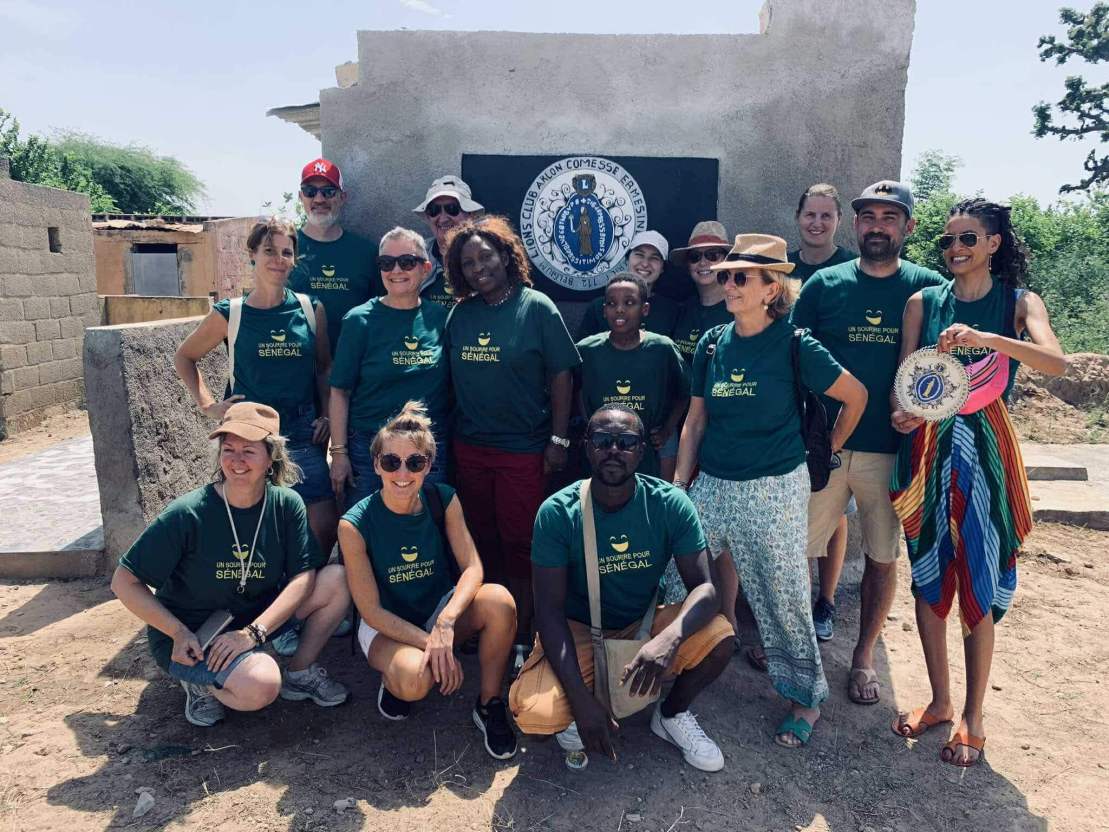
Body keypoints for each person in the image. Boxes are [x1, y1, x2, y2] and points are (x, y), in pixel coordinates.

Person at [668, 234, 867, 747]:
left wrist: (822, 454)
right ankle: (669, 672)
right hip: (713, 481)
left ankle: (806, 698)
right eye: (725, 274)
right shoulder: (713, 343)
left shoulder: (796, 344)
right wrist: (681, 484)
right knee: (675, 577)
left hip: (774, 487)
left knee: (782, 596)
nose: (727, 282)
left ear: (770, 287)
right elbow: (695, 420)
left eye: (740, 277)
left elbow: (856, 395)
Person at [889, 199, 1065, 766]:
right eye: (948, 241)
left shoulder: (1018, 302)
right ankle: (940, 701)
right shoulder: (923, 303)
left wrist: (989, 340)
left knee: (979, 579)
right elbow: (908, 379)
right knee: (926, 572)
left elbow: (1054, 362)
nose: (956, 248)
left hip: (986, 449)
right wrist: (905, 412)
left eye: (969, 238)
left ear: (993, 243)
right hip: (929, 450)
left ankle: (974, 715)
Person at [510, 405, 734, 771]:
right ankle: (585, 698)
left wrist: (670, 638)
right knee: (533, 718)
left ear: (642, 450)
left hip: (641, 623)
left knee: (721, 637)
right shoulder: (557, 512)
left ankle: (671, 715)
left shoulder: (669, 504)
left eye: (626, 442)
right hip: (578, 628)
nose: (614, 450)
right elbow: (548, 611)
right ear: (587, 447)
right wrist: (581, 704)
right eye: (603, 441)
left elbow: (707, 589)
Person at [791, 181, 947, 706]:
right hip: (825, 450)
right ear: (855, 225)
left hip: (893, 449)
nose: (876, 225)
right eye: (868, 217)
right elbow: (791, 363)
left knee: (882, 556)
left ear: (908, 227)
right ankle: (798, 653)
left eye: (888, 216)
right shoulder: (823, 285)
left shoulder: (929, 289)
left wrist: (921, 412)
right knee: (797, 552)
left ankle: (863, 658)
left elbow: (948, 371)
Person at [110, 402, 350, 727]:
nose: (236, 460)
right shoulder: (189, 513)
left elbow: (303, 576)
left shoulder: (285, 503)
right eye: (229, 449)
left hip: (254, 619)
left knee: (336, 579)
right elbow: (124, 581)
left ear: (271, 457)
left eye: (248, 450)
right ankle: (201, 683)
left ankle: (299, 672)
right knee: (262, 685)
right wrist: (178, 632)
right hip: (195, 634)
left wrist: (255, 631)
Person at [339, 402, 520, 760]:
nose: (402, 472)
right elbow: (371, 610)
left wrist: (447, 622)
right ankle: (393, 678)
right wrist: (432, 643)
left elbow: (473, 568)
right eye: (391, 462)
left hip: (437, 609)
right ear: (376, 464)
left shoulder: (442, 499)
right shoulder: (354, 524)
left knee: (499, 601)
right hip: (387, 623)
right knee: (414, 682)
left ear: (428, 466)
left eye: (415, 462)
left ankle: (489, 702)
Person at [444, 215, 581, 662]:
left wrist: (559, 441)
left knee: (520, 542)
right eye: (468, 262)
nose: (478, 267)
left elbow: (562, 374)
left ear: (506, 256)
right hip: (470, 448)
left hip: (523, 449)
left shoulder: (536, 306)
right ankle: (485, 622)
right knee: (479, 540)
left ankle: (523, 631)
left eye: (486, 256)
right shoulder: (460, 315)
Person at [175, 219, 339, 560]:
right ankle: (264, 597)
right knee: (254, 520)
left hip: (302, 429)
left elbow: (324, 368)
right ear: (252, 255)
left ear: (294, 259)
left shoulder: (311, 310)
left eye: (286, 252)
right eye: (269, 251)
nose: (278, 260)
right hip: (248, 434)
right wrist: (209, 405)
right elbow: (185, 357)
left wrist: (326, 414)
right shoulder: (230, 314)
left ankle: (314, 596)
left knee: (322, 523)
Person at [329, 227, 449, 507]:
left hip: (427, 448)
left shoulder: (440, 319)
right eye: (386, 263)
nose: (396, 270)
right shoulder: (359, 321)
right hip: (370, 449)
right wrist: (339, 454)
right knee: (365, 533)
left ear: (426, 268)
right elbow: (339, 391)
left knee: (426, 530)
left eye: (407, 262)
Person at [788, 184, 857, 642]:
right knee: (796, 508)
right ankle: (794, 598)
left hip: (836, 406)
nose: (817, 223)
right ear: (798, 217)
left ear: (837, 221)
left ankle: (825, 600)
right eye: (810, 214)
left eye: (825, 216)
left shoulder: (850, 270)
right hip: (791, 405)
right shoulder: (782, 269)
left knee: (834, 510)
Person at [576, 272, 689, 480]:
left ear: (644, 309)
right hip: (602, 450)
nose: (619, 309)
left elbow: (685, 393)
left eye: (629, 303)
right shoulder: (587, 350)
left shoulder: (662, 348)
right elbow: (574, 391)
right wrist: (588, 425)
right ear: (604, 310)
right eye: (611, 303)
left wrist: (667, 429)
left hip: (650, 451)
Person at [290, 157, 384, 355]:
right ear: (300, 196)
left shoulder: (366, 253)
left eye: (328, 191)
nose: (319, 199)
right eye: (310, 192)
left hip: (353, 369)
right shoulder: (286, 249)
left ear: (343, 197)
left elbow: (382, 314)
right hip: (297, 371)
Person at [575, 231, 680, 340]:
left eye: (654, 258)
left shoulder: (671, 311)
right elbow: (580, 353)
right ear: (627, 259)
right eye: (639, 255)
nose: (645, 264)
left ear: (663, 268)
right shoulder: (598, 308)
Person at [413, 175, 484, 307]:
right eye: (434, 210)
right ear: (428, 217)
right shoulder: (414, 255)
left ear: (471, 214)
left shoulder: (487, 254)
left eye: (452, 208)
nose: (443, 218)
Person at [669, 222, 734, 364]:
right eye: (695, 257)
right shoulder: (681, 312)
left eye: (712, 255)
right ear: (688, 265)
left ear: (726, 260)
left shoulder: (739, 310)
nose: (703, 262)